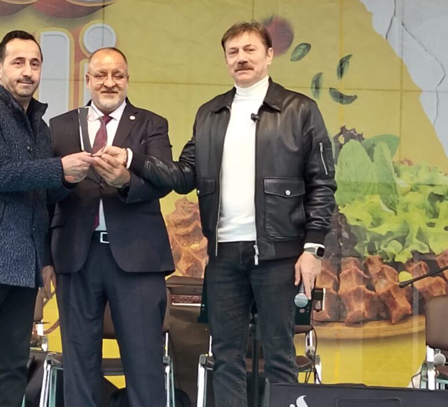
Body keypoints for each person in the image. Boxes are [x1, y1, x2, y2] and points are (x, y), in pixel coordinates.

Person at [105, 21, 337, 406]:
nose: (241, 58)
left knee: (280, 357)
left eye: (250, 50)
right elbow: (184, 176)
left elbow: (322, 182)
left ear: (269, 55)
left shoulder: (300, 110)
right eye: (233, 52)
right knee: (226, 357)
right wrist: (133, 158)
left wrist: (312, 249)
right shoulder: (210, 113)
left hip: (279, 254)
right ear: (226, 60)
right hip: (224, 255)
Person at [0, 30, 92, 407]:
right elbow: (0, 174)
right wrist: (59, 168)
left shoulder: (39, 127)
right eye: (18, 62)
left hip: (24, 265)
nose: (27, 71)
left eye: (35, 63)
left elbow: (41, 196)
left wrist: (70, 179)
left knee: (13, 365)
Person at [46, 47, 174, 407]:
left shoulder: (151, 124)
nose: (109, 82)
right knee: (78, 364)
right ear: (87, 80)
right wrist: (66, 179)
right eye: (101, 75)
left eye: (117, 75)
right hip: (75, 257)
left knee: (144, 364)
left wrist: (126, 181)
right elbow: (43, 195)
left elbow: (166, 179)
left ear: (128, 80)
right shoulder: (60, 126)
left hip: (138, 259)